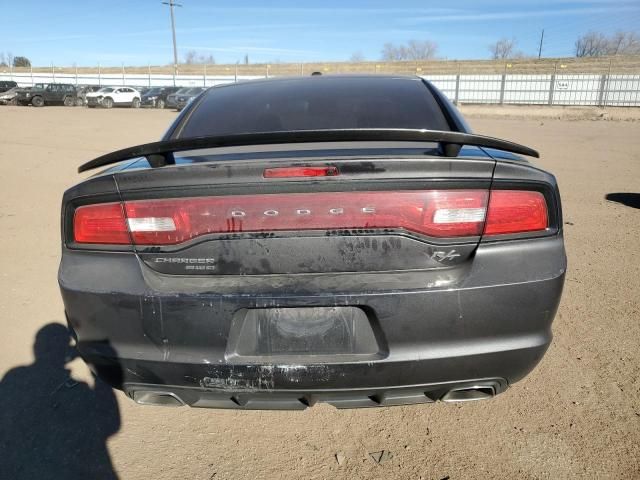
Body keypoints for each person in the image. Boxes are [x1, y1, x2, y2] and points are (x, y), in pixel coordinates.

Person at [0, 323, 121, 480]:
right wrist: (95, 365)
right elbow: (110, 424)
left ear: (36, 348)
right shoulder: (78, 391)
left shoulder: (15, 377)